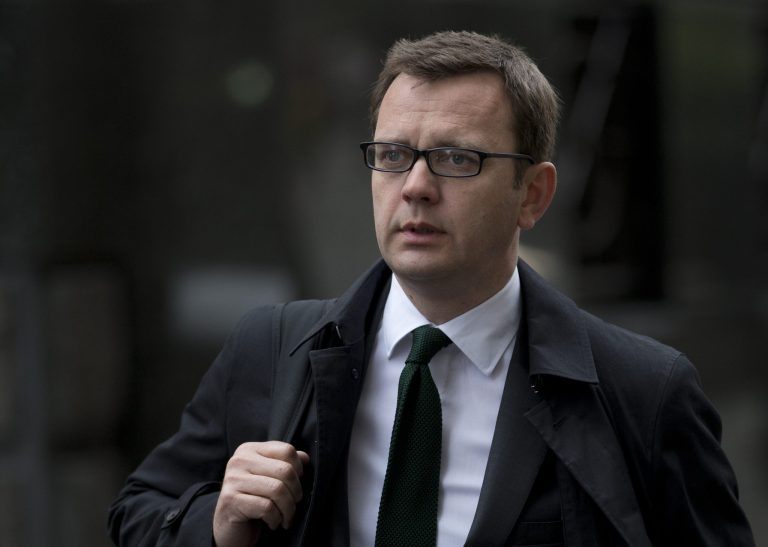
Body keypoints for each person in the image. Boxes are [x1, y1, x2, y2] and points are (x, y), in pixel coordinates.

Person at [108, 30, 755, 546]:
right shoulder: (272, 349)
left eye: (456, 158)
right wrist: (217, 524)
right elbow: (140, 511)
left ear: (533, 194)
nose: (415, 186)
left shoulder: (643, 391)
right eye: (393, 155)